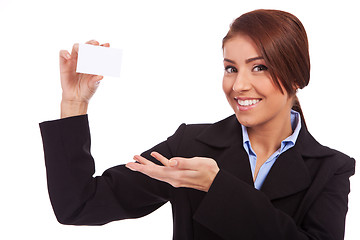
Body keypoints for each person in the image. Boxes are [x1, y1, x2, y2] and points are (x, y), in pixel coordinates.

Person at [40, 9, 355, 240]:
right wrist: (74, 103)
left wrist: (218, 187)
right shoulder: (190, 145)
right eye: (230, 68)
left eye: (259, 67)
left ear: (297, 77)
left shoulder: (330, 169)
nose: (238, 85)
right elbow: (79, 205)